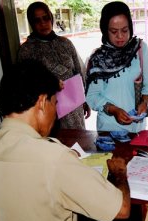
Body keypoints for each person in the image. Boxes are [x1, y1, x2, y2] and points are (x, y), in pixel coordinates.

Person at [0, 60, 131, 221]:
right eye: (54, 103)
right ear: (41, 103)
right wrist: (119, 173)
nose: (56, 113)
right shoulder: (54, 159)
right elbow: (122, 209)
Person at [85, 1, 148, 133]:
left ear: (130, 27)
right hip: (109, 130)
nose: (120, 36)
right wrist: (114, 110)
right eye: (114, 31)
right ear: (105, 30)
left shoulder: (140, 49)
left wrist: (145, 102)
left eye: (125, 30)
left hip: (137, 129)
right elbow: (92, 96)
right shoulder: (98, 59)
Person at [18, 1, 90, 130]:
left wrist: (84, 100)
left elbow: (79, 73)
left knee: (78, 143)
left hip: (74, 108)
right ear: (31, 23)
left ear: (51, 17)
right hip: (47, 110)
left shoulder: (65, 43)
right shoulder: (27, 50)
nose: (43, 23)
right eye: (37, 20)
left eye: (45, 18)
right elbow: (25, 84)